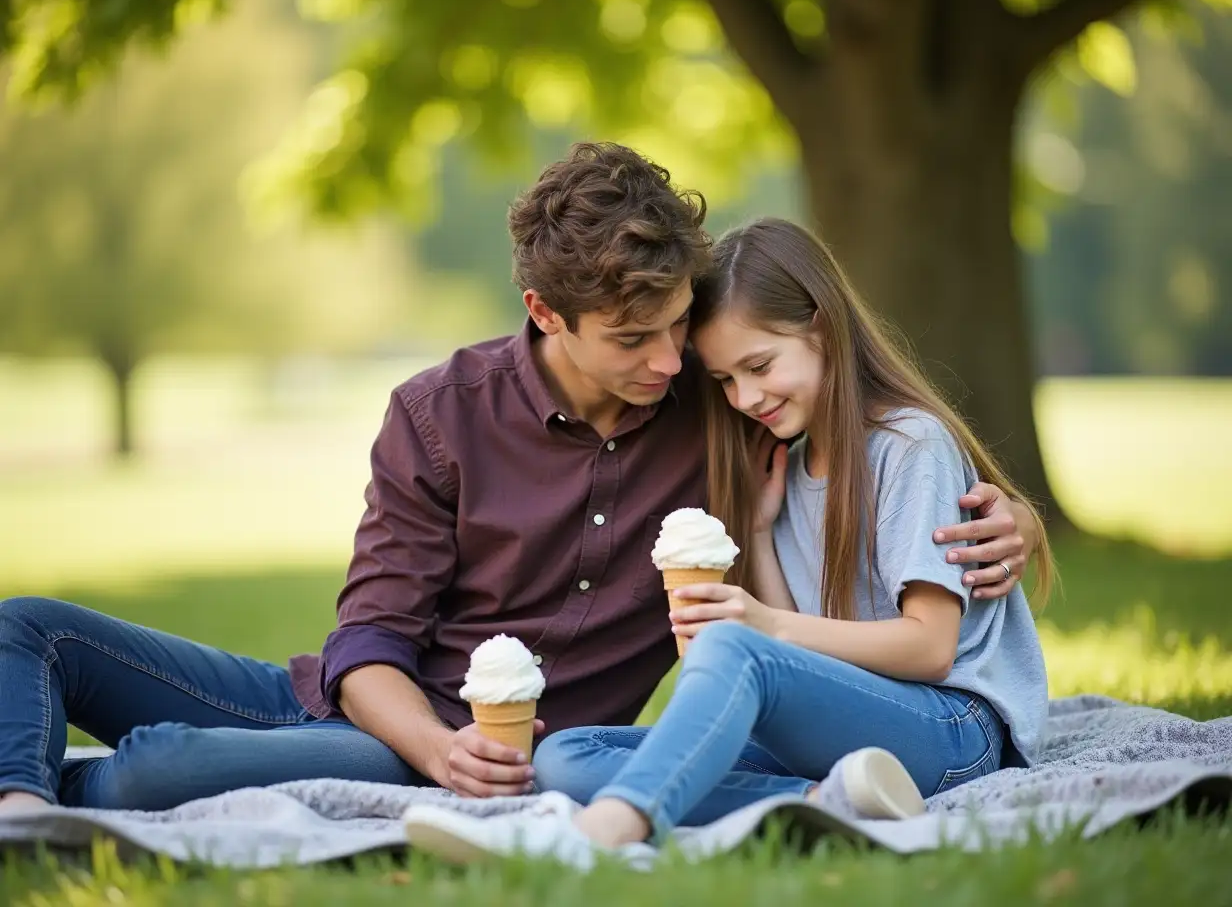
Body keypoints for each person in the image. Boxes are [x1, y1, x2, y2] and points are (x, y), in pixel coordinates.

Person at [0, 147, 1036, 817]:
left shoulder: (712, 406)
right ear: (545, 314)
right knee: (30, 626)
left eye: (680, 328)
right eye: (635, 340)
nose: (671, 364)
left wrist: (1013, 516)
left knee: (149, 772)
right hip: (392, 716)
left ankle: (66, 796)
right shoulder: (437, 413)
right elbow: (367, 644)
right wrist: (440, 750)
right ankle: (21, 804)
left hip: (521, 751)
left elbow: (852, 421)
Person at [401, 217, 1053, 867]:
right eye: (724, 381)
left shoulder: (909, 445)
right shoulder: (788, 467)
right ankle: (825, 799)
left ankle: (603, 831)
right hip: (854, 740)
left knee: (739, 646)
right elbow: (806, 646)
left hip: (951, 733)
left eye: (759, 366)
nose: (746, 397)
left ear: (822, 327)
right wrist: (764, 537)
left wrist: (763, 626)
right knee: (567, 756)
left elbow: (930, 647)